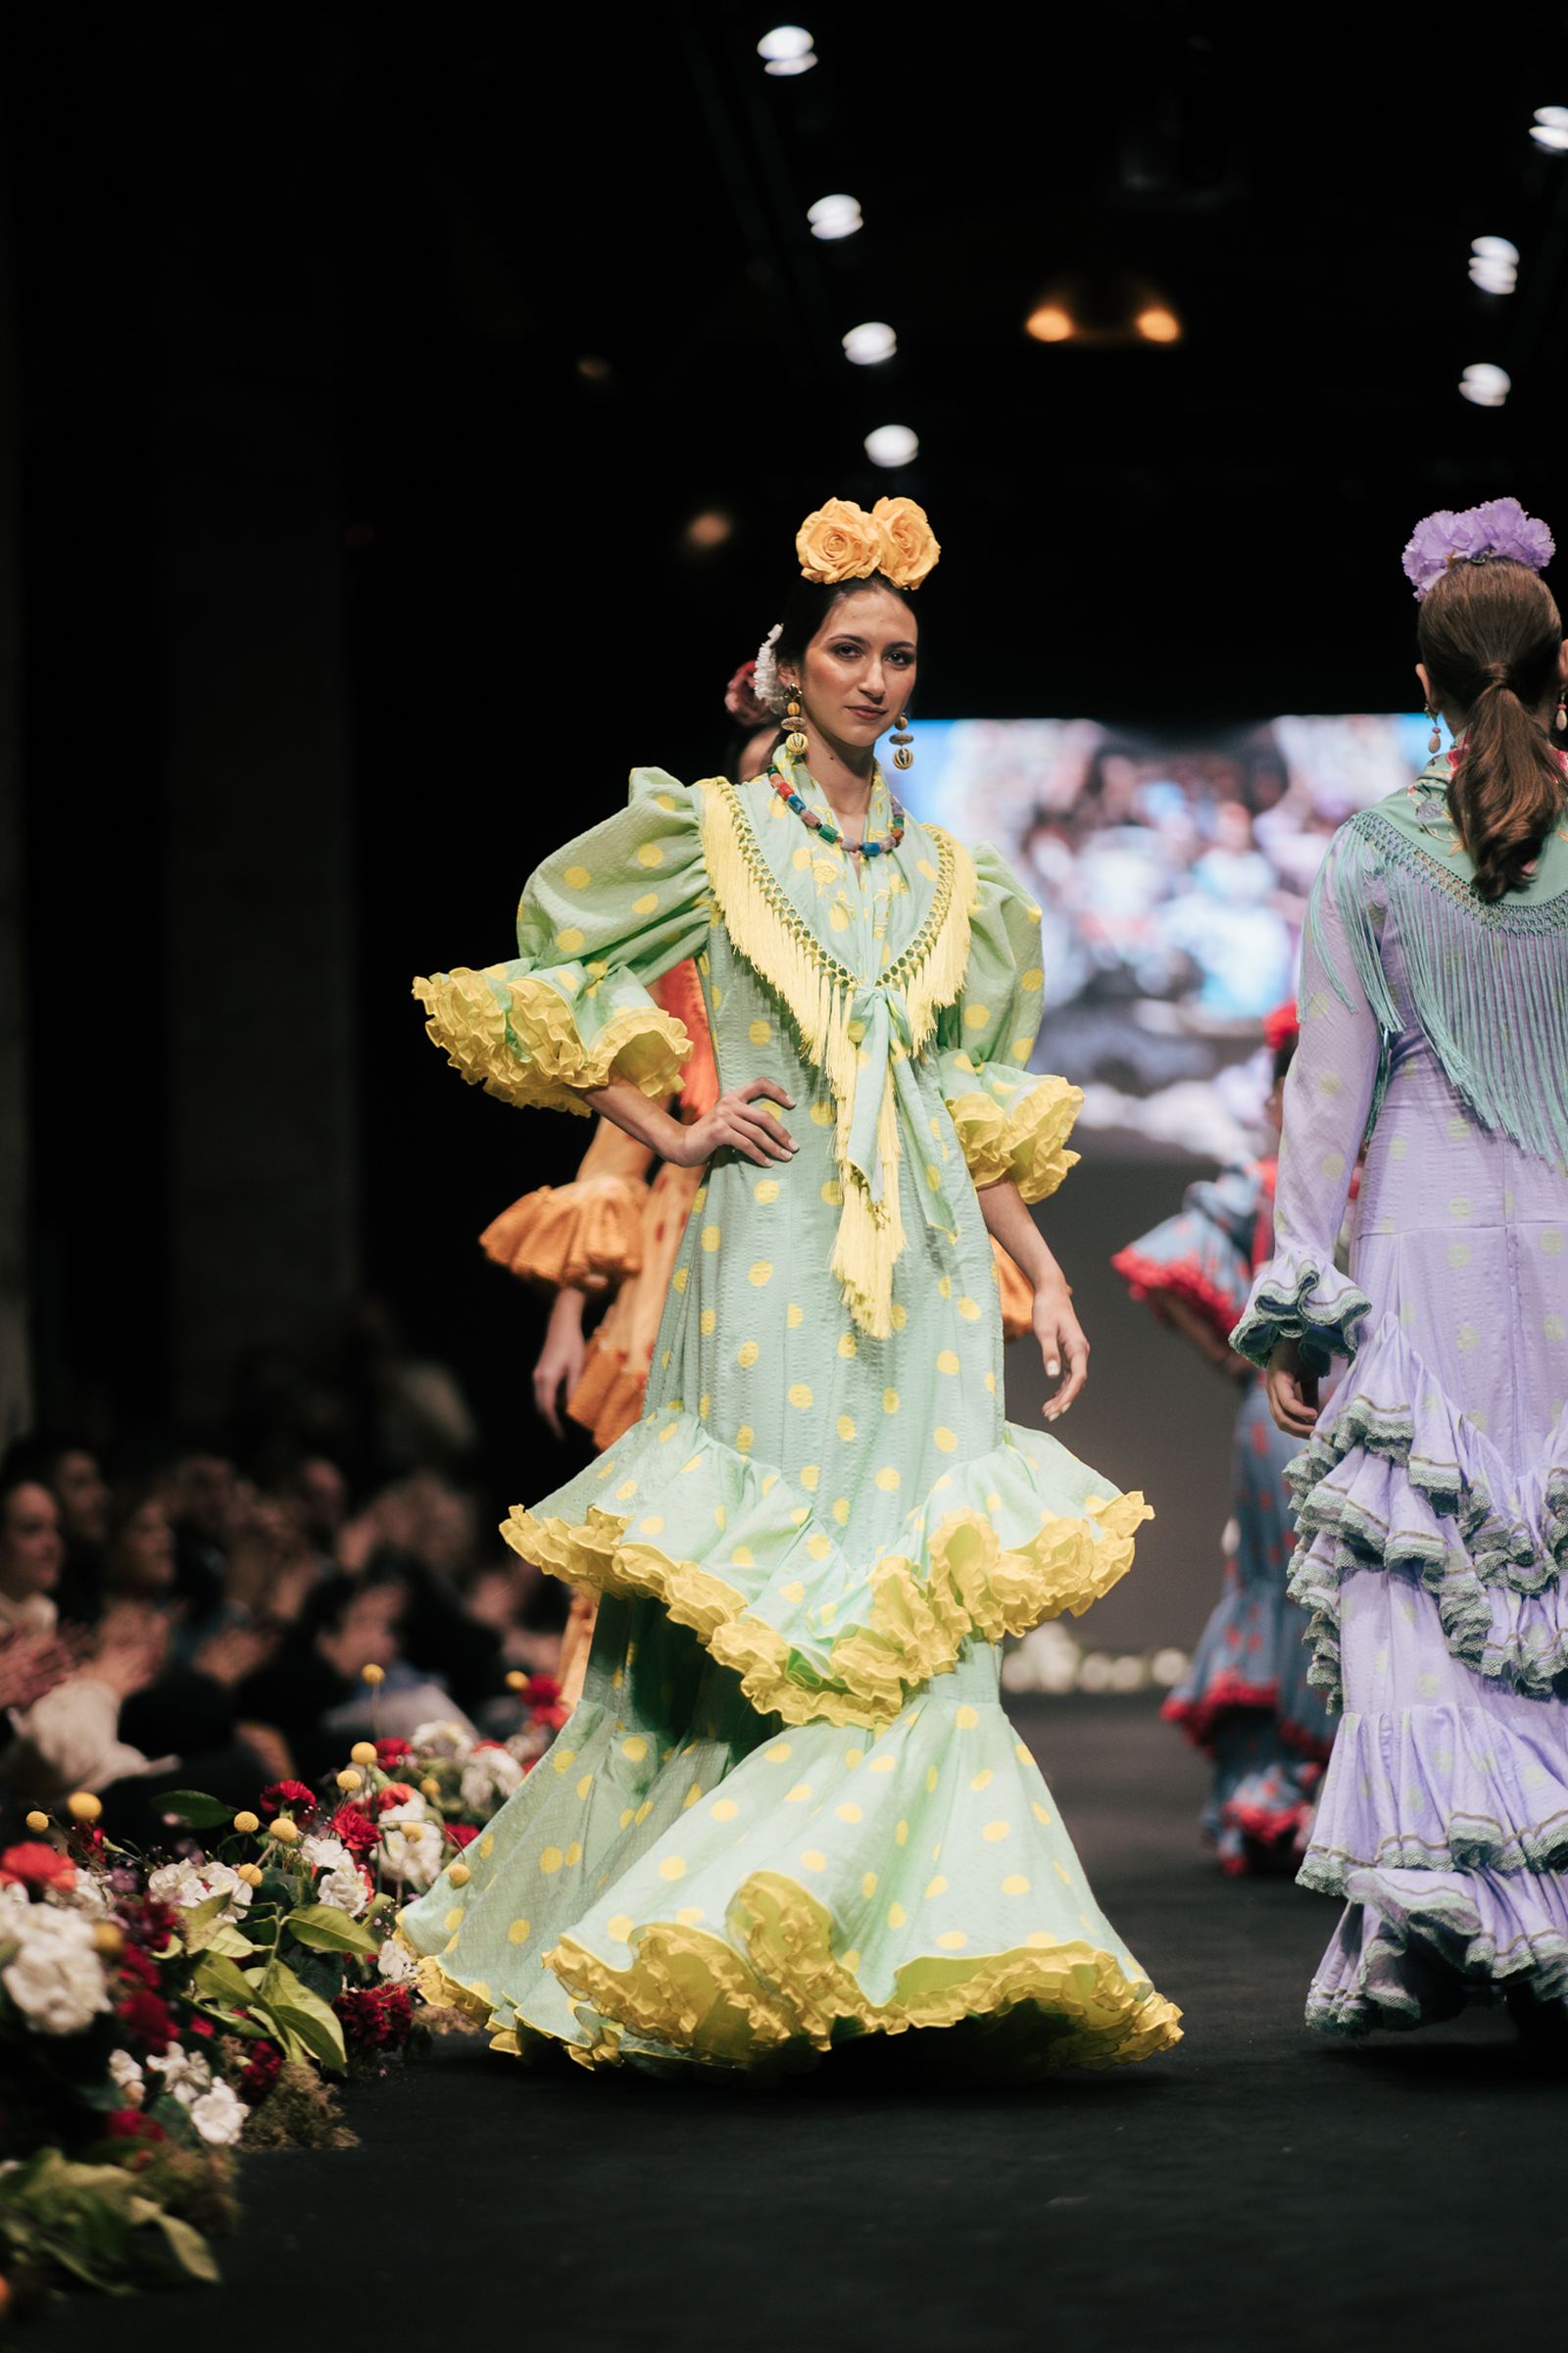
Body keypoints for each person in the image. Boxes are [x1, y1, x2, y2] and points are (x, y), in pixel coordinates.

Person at [400, 494, 1178, 2075]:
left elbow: (964, 1103)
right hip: (764, 1264)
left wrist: (1044, 1274)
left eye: (901, 655)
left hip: (931, 1283)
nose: (877, 679)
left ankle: (897, 1953)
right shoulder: (714, 834)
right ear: (790, 664)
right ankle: (699, 1948)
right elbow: (550, 972)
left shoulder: (956, 878)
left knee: (911, 1608)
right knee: (757, 1609)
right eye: (850, 651)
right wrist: (673, 1131)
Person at [497, 682, 1038, 1710]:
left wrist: (1033, 1262)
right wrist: (574, 1301)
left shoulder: (902, 892)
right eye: (764, 785)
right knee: (697, 1526)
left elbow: (943, 1082)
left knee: (870, 1505)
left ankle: (841, 1728)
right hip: (720, 1218)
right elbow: (607, 1081)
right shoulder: (705, 899)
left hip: (866, 1216)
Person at [1237, 498, 1568, 2037]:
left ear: (1421, 683)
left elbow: (1324, 1103)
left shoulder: (1367, 857)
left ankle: (1431, 1928)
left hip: (1422, 1240)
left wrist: (1296, 1308)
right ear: (1564, 674)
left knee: (1432, 1570)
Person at [1113, 1005, 1334, 1871]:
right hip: (1293, 1409)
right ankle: (1284, 1791)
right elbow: (1163, 1264)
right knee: (1300, 1584)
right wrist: (1238, 1359)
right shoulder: (1269, 1184)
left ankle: (1302, 1793)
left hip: (1346, 1402)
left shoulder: (1337, 1184)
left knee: (1321, 1587)